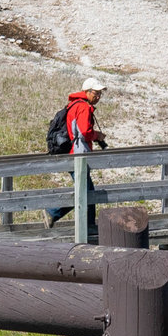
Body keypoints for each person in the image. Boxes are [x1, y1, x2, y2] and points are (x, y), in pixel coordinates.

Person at [47, 80, 108, 228]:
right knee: (86, 192)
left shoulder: (74, 105)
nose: (98, 96)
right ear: (87, 91)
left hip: (73, 154)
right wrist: (97, 136)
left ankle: (89, 225)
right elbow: (84, 132)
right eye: (96, 93)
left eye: (100, 93)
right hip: (78, 155)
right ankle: (54, 213)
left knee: (88, 191)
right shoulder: (83, 107)